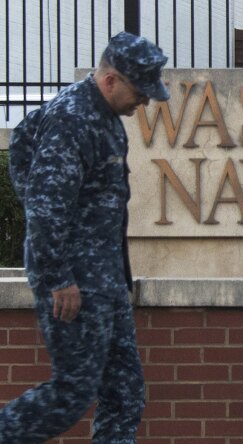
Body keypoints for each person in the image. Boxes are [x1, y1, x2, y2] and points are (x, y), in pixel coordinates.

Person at [3, 31, 170, 443]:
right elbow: (45, 204)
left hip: (106, 282)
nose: (145, 101)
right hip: (75, 285)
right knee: (72, 393)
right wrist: (58, 275)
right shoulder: (72, 118)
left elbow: (23, 149)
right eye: (140, 90)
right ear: (111, 80)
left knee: (125, 392)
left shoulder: (105, 117)